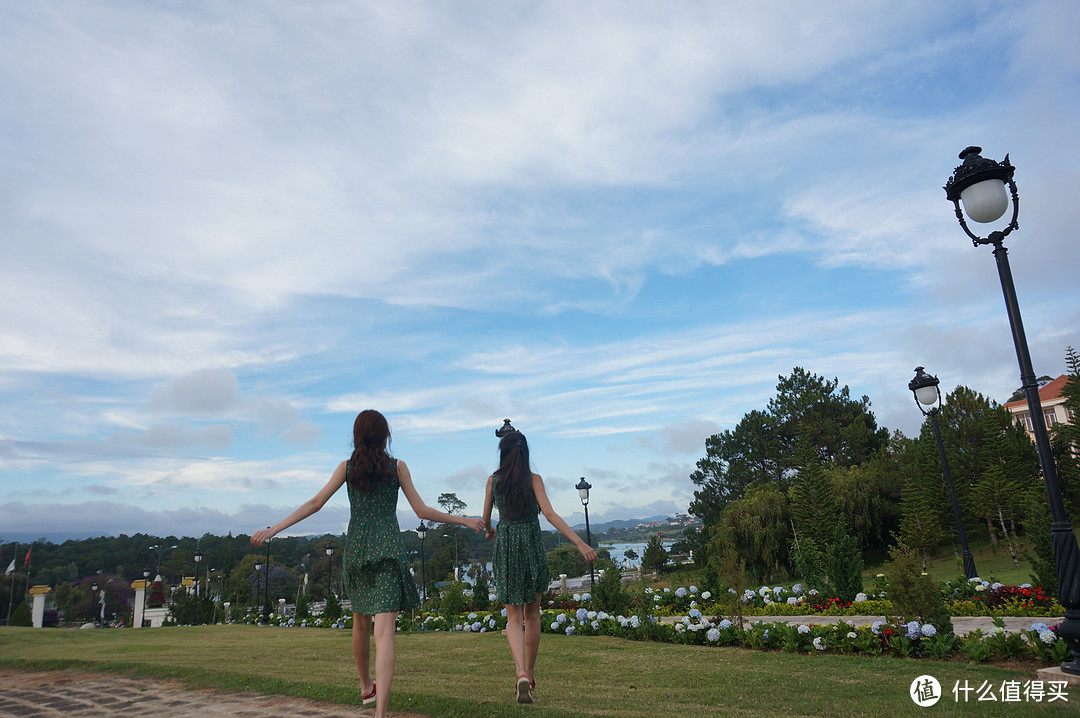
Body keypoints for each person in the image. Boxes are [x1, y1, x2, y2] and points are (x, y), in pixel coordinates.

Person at [251, 410, 483, 718]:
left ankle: (365, 686)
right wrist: (463, 520)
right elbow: (422, 510)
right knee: (385, 632)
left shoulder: (347, 469)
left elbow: (315, 503)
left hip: (358, 551)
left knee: (360, 624)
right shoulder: (397, 467)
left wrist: (274, 529)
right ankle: (381, 713)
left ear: (357, 435)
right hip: (387, 549)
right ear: (386, 435)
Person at [482, 429, 596, 704]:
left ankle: (520, 671)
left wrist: (489, 531)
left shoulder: (493, 481)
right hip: (531, 545)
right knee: (533, 615)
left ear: (503, 453)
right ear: (525, 453)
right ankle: (530, 676)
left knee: (513, 617)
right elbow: (550, 514)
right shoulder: (534, 480)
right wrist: (580, 543)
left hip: (506, 547)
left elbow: (485, 518)